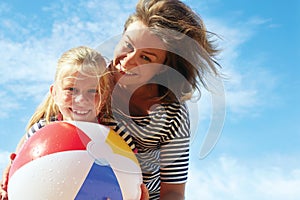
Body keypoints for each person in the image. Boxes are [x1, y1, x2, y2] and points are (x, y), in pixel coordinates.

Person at [106, 0, 221, 199]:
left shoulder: (172, 114)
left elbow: (174, 192)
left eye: (146, 58)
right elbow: (43, 126)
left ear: (163, 68)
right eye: (128, 45)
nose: (128, 61)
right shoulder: (88, 80)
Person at [0, 46, 149, 200]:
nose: (81, 100)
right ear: (55, 93)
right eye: (71, 89)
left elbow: (132, 179)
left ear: (104, 97)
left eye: (93, 91)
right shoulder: (39, 131)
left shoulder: (117, 135)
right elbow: (18, 175)